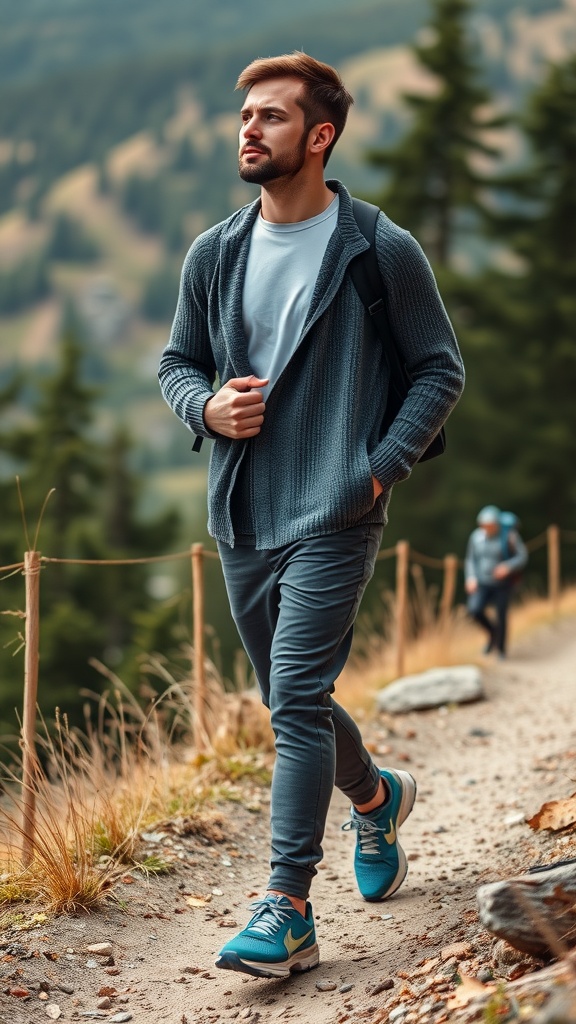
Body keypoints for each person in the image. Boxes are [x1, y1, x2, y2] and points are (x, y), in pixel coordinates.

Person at [159, 52, 465, 980]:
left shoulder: (379, 248)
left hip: (337, 510)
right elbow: (177, 363)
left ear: (320, 136)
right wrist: (205, 409)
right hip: (243, 513)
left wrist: (375, 472)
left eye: (272, 117)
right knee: (291, 699)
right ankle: (376, 799)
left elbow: (439, 370)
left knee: (292, 698)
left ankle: (287, 905)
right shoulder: (215, 252)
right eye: (245, 115)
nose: (249, 129)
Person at [465, 505, 528, 658]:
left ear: (497, 524)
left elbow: (522, 556)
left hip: (503, 584)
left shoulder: (509, 536)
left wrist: (508, 567)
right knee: (474, 610)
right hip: (482, 582)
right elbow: (471, 559)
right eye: (484, 525)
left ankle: (501, 649)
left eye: (490, 525)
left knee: (501, 614)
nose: (487, 528)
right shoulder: (476, 537)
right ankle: (493, 634)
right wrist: (471, 577)